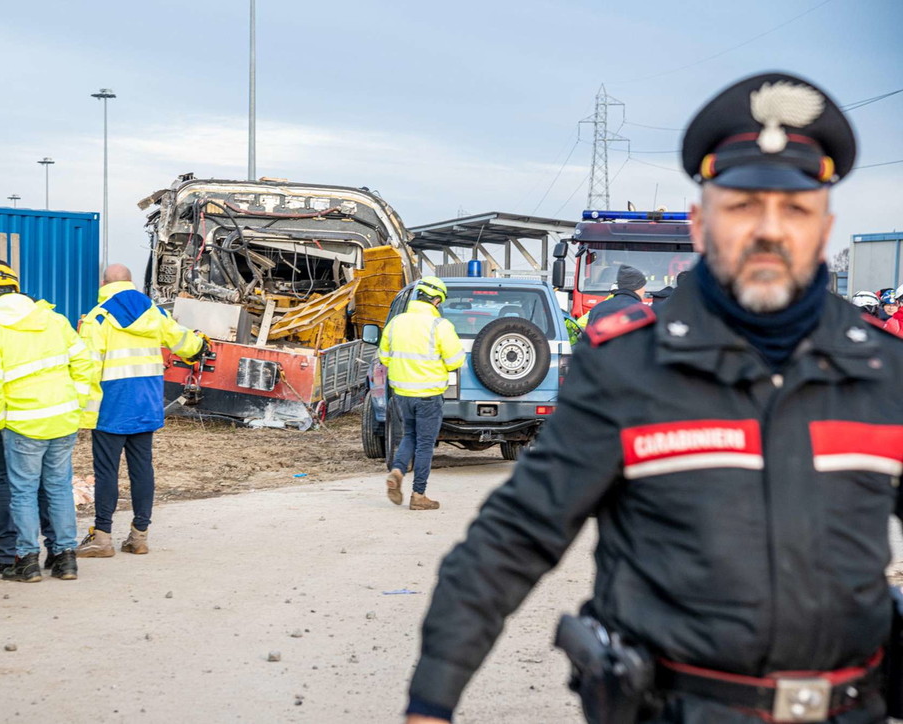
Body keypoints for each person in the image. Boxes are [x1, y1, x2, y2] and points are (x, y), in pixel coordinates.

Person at [406, 72, 902, 723]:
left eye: (796, 208)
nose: (769, 230)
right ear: (701, 223)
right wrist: (430, 702)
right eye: (743, 206)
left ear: (826, 227)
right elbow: (513, 540)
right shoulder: (628, 370)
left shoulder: (884, 372)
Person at [74, 263, 206, 557]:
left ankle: (103, 538)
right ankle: (139, 536)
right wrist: (199, 344)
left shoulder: (98, 318)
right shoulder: (154, 312)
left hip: (110, 406)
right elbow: (184, 341)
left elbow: (87, 368)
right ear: (130, 282)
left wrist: (79, 410)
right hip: (145, 403)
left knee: (106, 473)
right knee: (142, 470)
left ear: (104, 283)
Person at [0, 284, 94, 582]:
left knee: (23, 492)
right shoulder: (54, 320)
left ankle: (26, 561)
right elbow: (84, 362)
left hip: (23, 423)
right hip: (63, 418)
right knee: (59, 488)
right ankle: (65, 558)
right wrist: (76, 403)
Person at [0, 260, 57, 574]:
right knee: (43, 485)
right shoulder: (44, 317)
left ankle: (11, 552)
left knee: (3, 483)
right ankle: (57, 552)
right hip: (45, 416)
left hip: (1, 418)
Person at [379, 276, 464, 511]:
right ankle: (418, 495)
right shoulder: (440, 326)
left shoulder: (396, 323)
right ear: (436, 300)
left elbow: (384, 357)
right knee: (425, 444)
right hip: (428, 394)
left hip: (402, 394)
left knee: (410, 435)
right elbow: (455, 360)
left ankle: (397, 470)